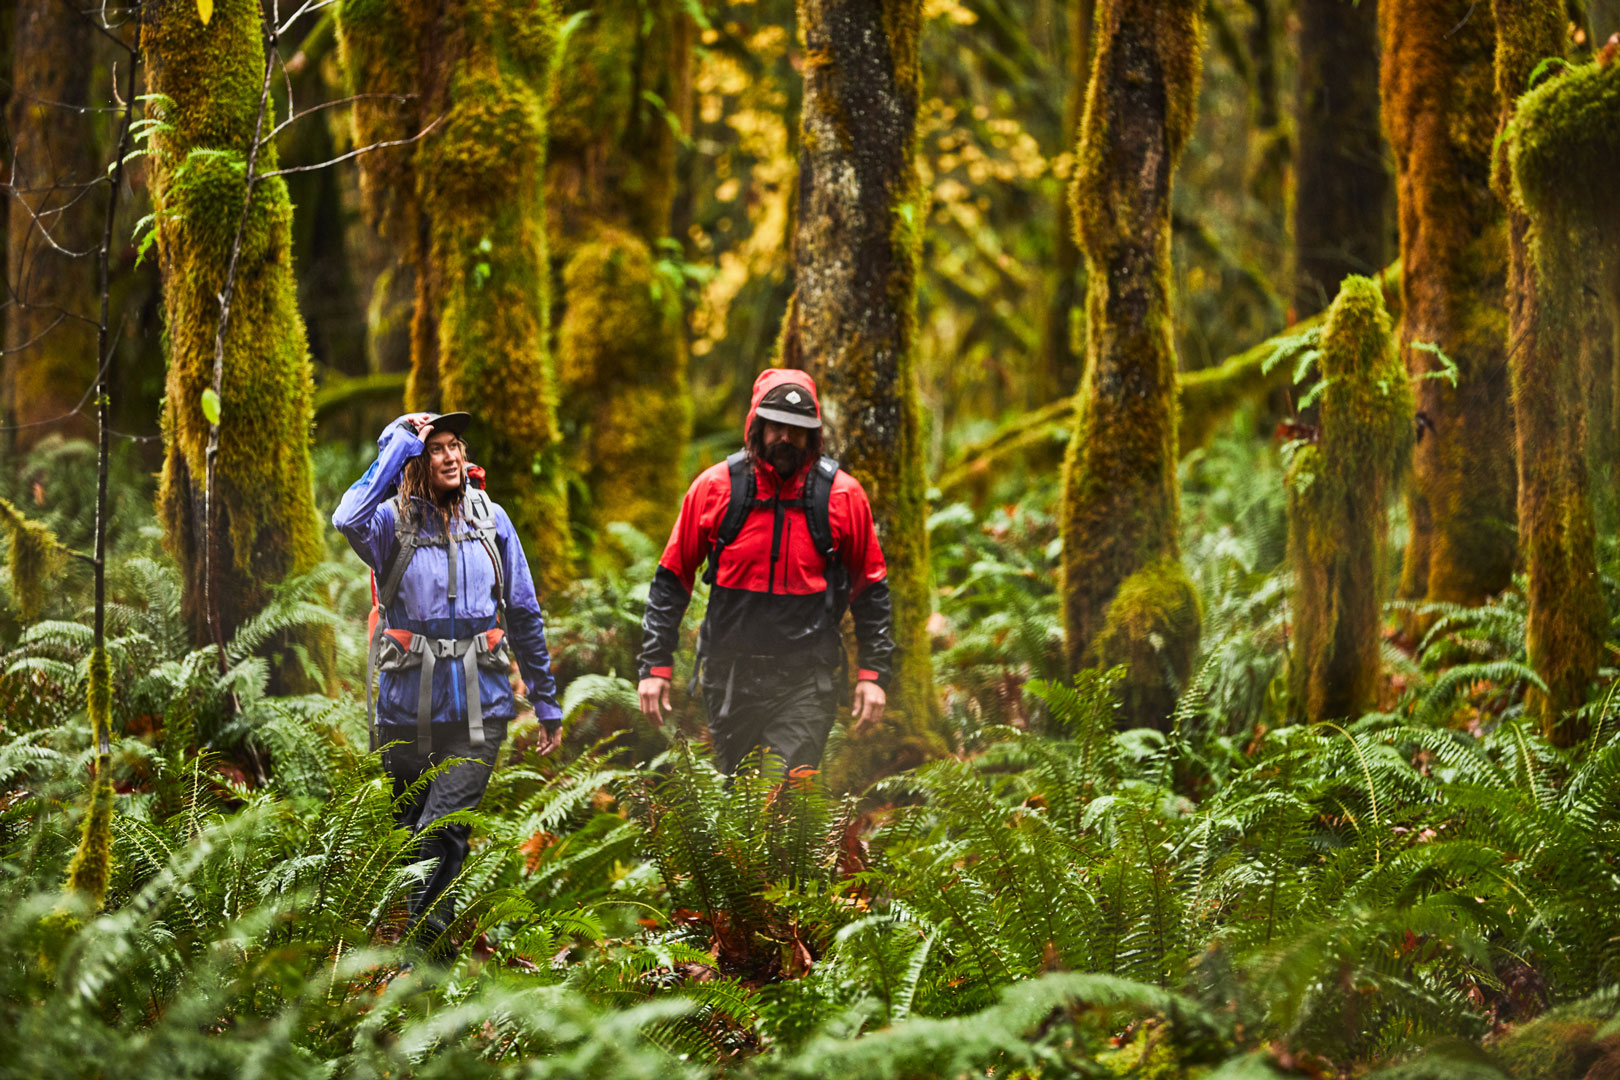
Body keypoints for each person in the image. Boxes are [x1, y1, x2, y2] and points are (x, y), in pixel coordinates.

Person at [333, 411, 563, 950]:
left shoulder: (492, 520)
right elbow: (347, 517)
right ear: (416, 462)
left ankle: (428, 955)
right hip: (405, 707)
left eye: (455, 445)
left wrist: (546, 701)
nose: (452, 456)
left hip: (479, 707)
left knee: (444, 827)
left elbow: (524, 612)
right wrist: (399, 441)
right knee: (409, 829)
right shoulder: (388, 525)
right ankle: (412, 945)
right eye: (436, 448)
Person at [637, 369, 893, 775]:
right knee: (740, 799)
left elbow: (871, 591)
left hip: (806, 681)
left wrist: (873, 674)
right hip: (730, 679)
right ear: (756, 425)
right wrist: (655, 666)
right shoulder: (715, 488)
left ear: (813, 434)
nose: (785, 437)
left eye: (796, 428)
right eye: (775, 425)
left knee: (784, 791)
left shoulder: (843, 496)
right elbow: (672, 580)